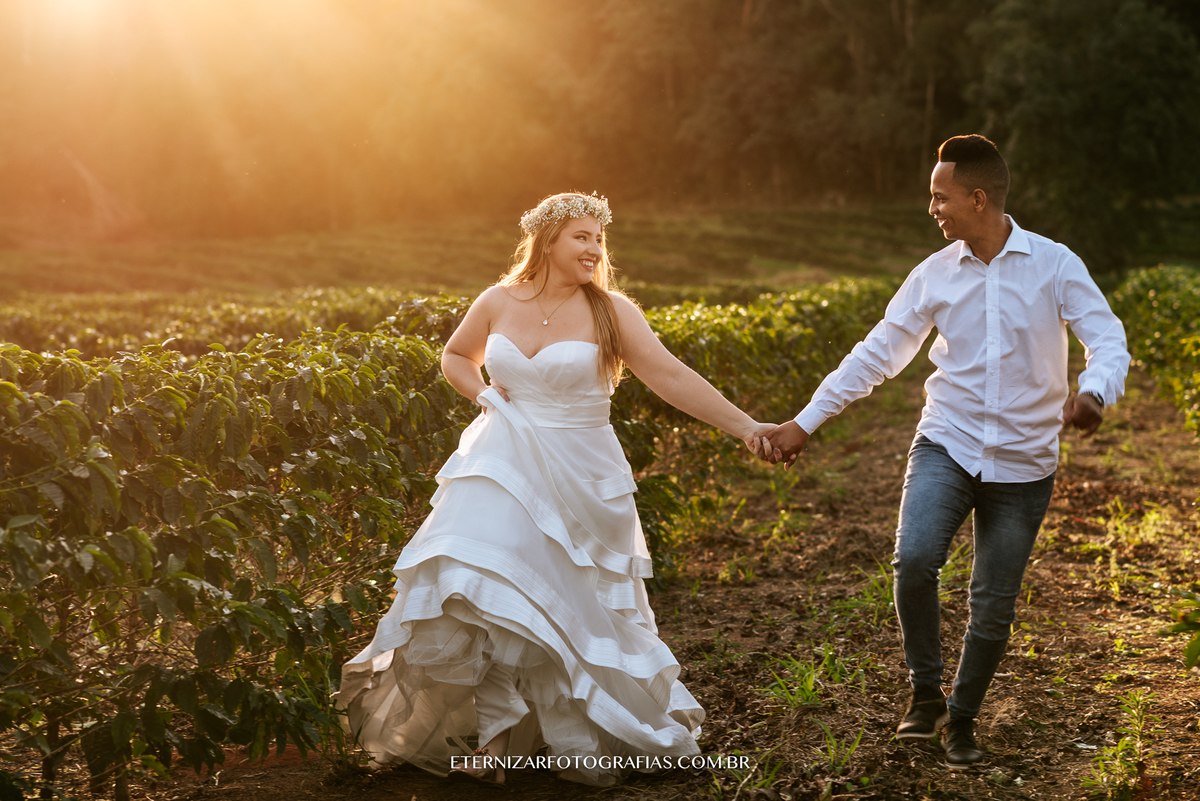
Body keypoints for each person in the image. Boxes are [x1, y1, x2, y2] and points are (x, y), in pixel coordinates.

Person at [336, 192, 776, 786]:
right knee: (474, 580)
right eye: (582, 237)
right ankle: (492, 730)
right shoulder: (497, 300)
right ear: (547, 242)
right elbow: (456, 356)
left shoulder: (612, 312)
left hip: (582, 476)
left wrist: (747, 428)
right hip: (502, 459)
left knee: (571, 603)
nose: (595, 249)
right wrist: (484, 394)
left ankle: (568, 736)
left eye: (599, 239)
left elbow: (670, 374)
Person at [763, 135, 1130, 770]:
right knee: (914, 560)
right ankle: (926, 693)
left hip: (1024, 462)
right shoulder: (932, 274)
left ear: (977, 198)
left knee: (992, 603)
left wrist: (1094, 392)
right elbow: (878, 353)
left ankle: (962, 719)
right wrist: (806, 421)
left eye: (941, 196)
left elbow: (1107, 337)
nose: (932, 207)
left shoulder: (1054, 264)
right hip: (948, 442)